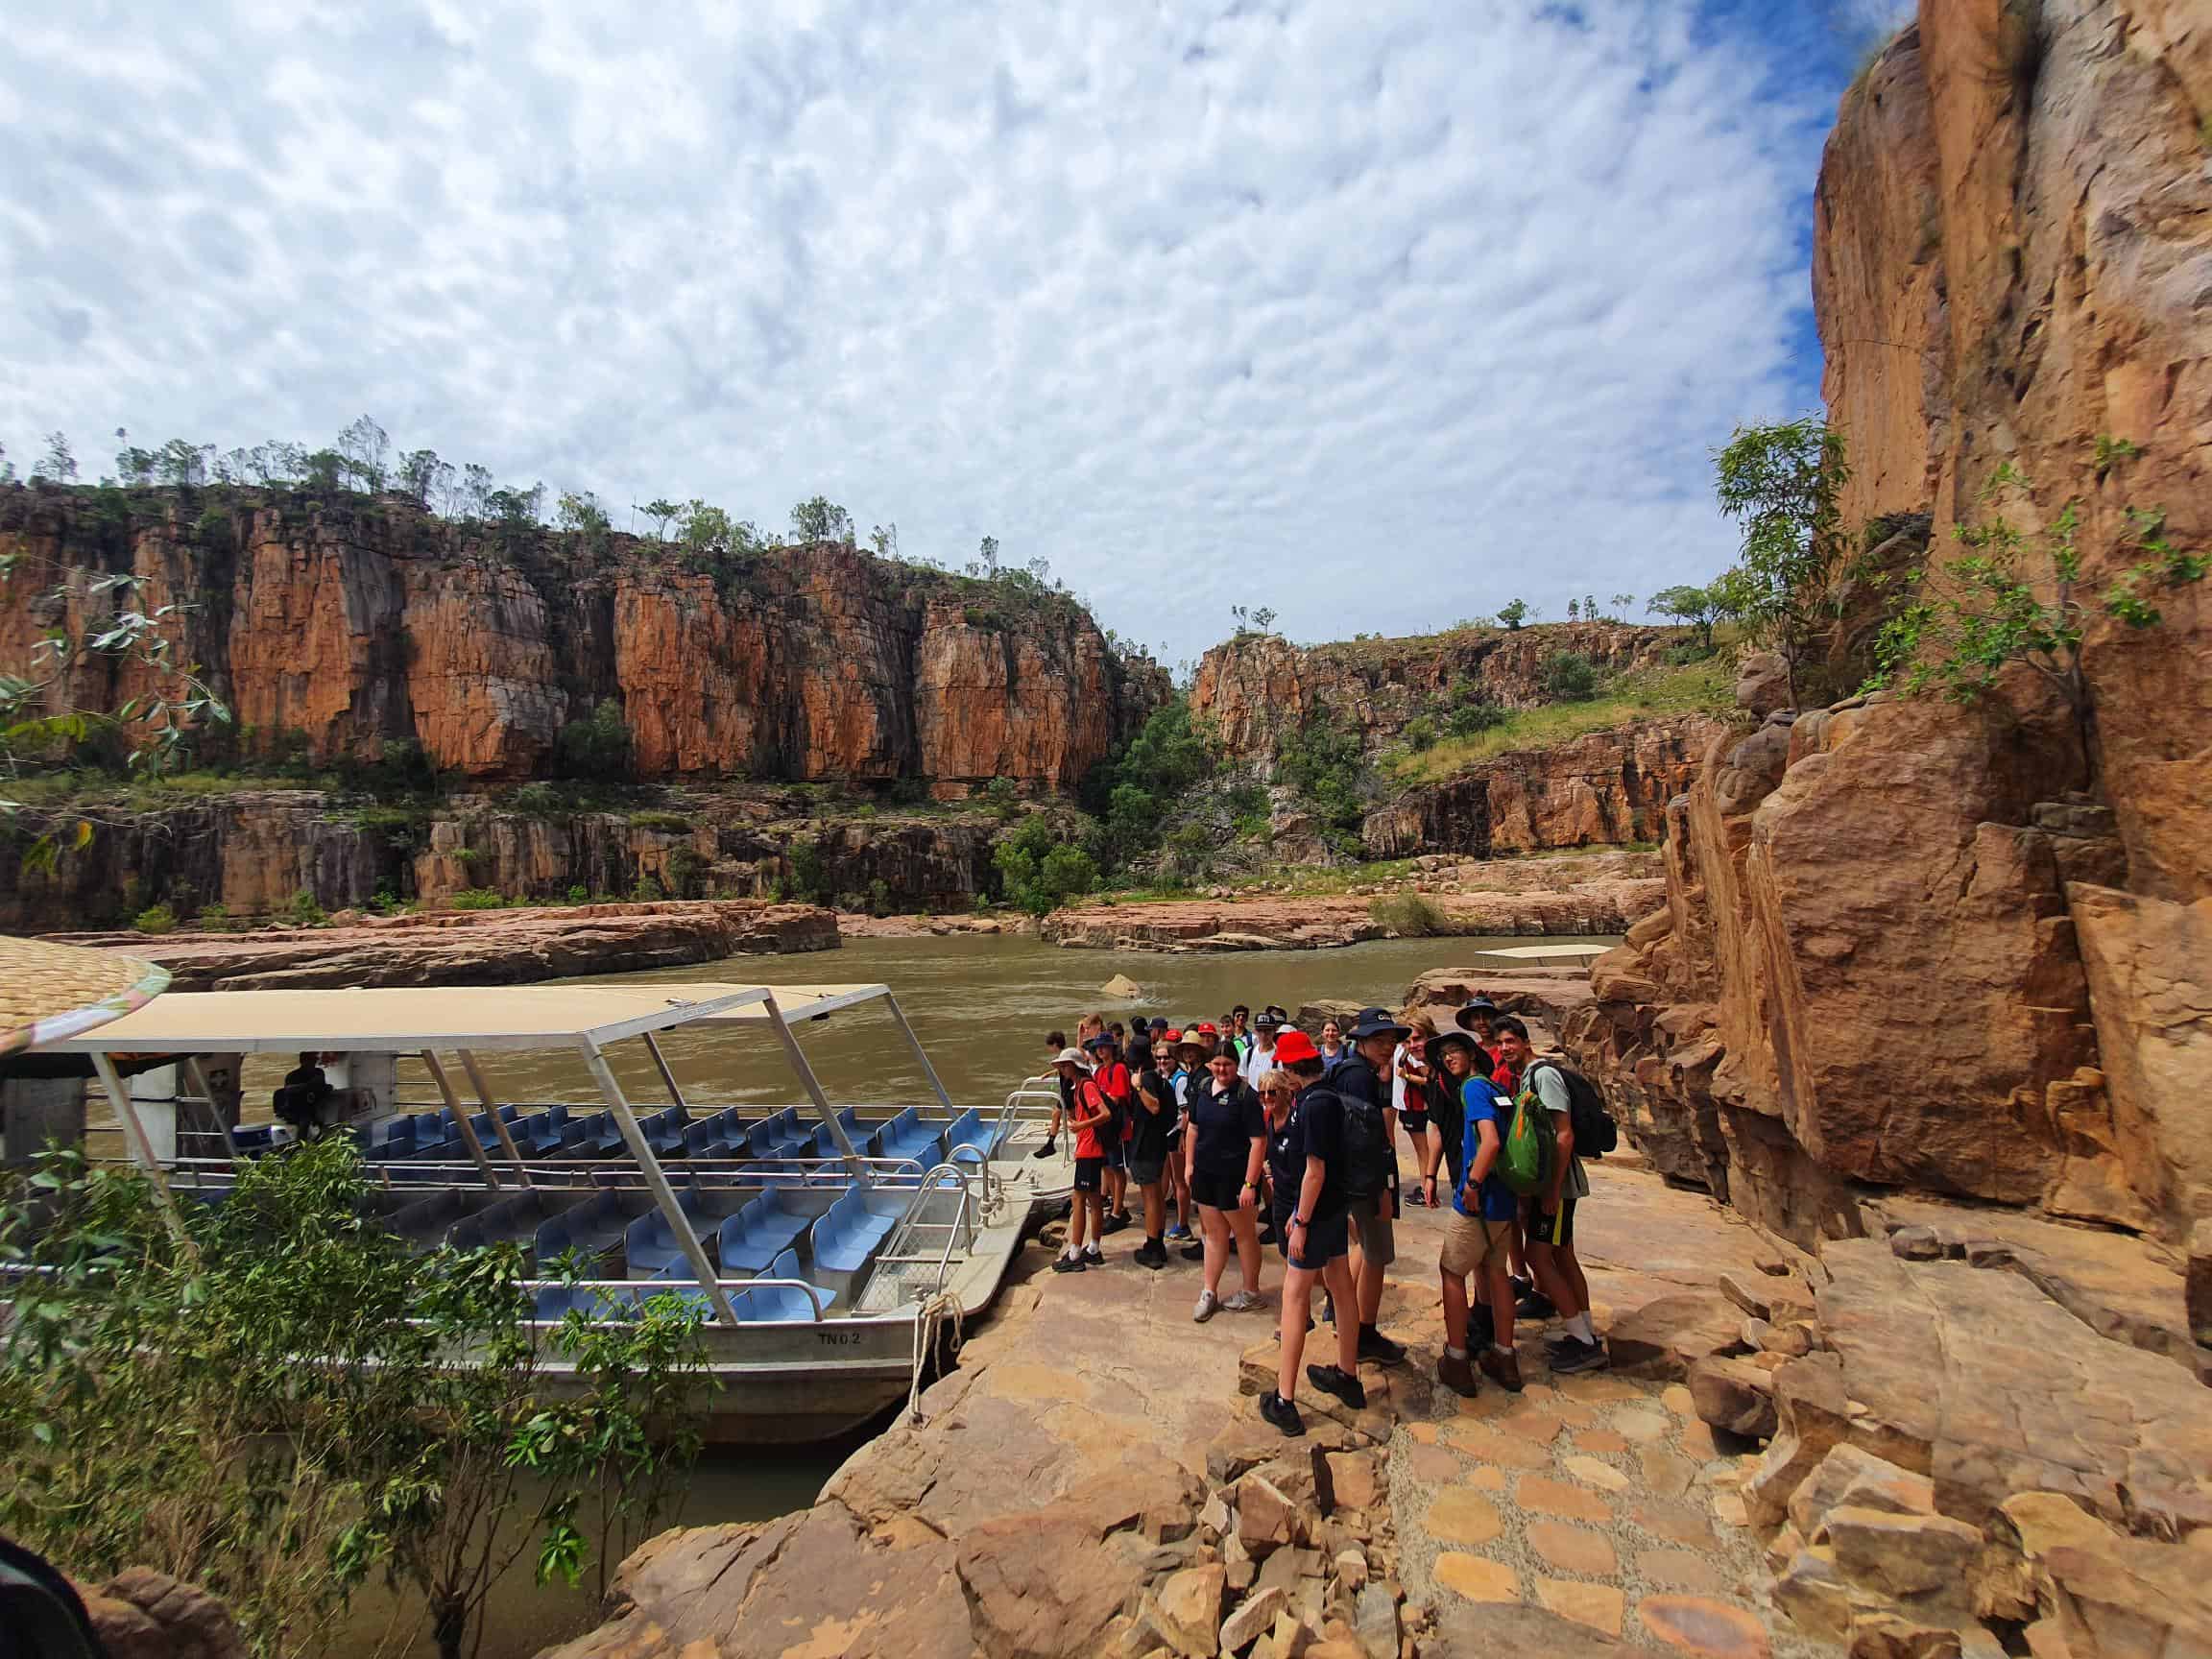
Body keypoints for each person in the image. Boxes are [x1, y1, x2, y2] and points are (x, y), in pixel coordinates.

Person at [1257, 1031, 1362, 1436]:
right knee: (1340, 1288)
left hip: (1316, 1215)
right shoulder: (1326, 1096)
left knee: (1294, 1297)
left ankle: (1285, 1400)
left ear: (1290, 1068)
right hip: (1333, 1210)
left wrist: (1300, 1221)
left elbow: (1314, 1170)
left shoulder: (1314, 1105)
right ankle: (1347, 1375)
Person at [1495, 1017, 1607, 1373]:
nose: (1505, 1048)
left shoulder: (1543, 1076)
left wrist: (1552, 1190)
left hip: (1557, 1186)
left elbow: (1564, 1134)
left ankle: (1585, 1344)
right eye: (1501, 1043)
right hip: (1554, 1185)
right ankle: (1584, 1331)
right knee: (1562, 1255)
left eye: (1511, 1041)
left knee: (1538, 1256)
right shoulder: (1528, 1076)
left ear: (1526, 1042)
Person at [1432, 1028, 1522, 1395]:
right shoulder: (1497, 1088)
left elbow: (1492, 1141)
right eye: (1444, 1055)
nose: (1448, 1058)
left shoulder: (1472, 1089)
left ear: (1472, 1055)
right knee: (1496, 1273)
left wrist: (1471, 1183)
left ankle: (1456, 1360)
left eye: (1455, 1051)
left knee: (1451, 1272)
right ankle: (1504, 1355)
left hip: (1479, 1201)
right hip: (1504, 1201)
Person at [1331, 1009, 1408, 1364]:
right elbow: (1365, 1142)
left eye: (1391, 1042)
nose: (1387, 1047)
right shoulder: (1360, 1078)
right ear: (1360, 1041)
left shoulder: (1355, 1072)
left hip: (1360, 1179)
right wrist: (1382, 1191)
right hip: (1368, 1182)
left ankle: (1343, 1313)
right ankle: (1364, 1333)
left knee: (1365, 1245)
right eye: (1380, 1040)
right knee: (1377, 1255)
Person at [1186, 1044, 1266, 1320]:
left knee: (1244, 1236)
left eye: (1227, 1065)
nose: (1222, 1070)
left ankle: (1251, 1291)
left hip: (1235, 1178)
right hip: (1206, 1174)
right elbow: (1193, 1129)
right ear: (1210, 1065)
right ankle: (1209, 1291)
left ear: (1236, 1066)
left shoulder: (1247, 1097)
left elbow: (1258, 1142)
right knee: (1213, 1235)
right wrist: (1189, 1164)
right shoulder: (1204, 1090)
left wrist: (1250, 1183)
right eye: (1217, 1064)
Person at [1050, 1048, 1106, 1272]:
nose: (1062, 1070)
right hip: (1088, 1147)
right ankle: (1093, 1249)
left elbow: (1104, 1114)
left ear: (1075, 1066)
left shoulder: (1086, 1086)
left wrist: (1080, 1125)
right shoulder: (1078, 1087)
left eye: (1065, 1066)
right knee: (1093, 1199)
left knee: (1079, 1199)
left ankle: (1075, 1254)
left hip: (1090, 1149)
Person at [1127, 1037, 1173, 1268]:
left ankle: (1153, 1247)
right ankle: (1158, 1244)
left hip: (1146, 1145)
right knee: (1156, 1195)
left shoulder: (1144, 1078)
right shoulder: (1157, 1077)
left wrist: (1137, 1086)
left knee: (1150, 1198)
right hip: (1157, 1143)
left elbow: (1154, 1106)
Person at [1086, 1031, 1134, 1233]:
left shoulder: (1119, 1069)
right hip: (1104, 1128)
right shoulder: (1099, 1072)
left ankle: (1117, 1212)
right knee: (1107, 1167)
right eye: (1098, 1047)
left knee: (1117, 1169)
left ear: (1112, 1048)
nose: (1100, 1050)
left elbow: (1116, 1099)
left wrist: (1099, 1102)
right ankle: (1117, 1206)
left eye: (1104, 1047)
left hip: (1117, 1128)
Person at [1394, 1015, 1439, 1208]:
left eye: (1416, 1039)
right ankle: (1426, 1186)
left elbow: (1427, 1079)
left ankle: (1426, 1189)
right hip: (1408, 1106)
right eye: (1407, 1040)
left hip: (1416, 1106)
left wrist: (1406, 1075)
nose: (1411, 1044)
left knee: (1423, 1151)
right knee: (1422, 1150)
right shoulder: (1402, 1051)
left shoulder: (1415, 1057)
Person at [1035, 1029, 1070, 1158]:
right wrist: (1049, 1073)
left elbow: (1065, 1067)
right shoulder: (1065, 1055)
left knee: (1070, 1118)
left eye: (1050, 1046)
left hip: (1068, 1092)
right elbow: (1061, 1068)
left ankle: (1050, 1145)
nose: (1049, 1049)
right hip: (1065, 1092)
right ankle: (1050, 1144)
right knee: (1056, 1114)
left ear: (1055, 1044)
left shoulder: (1064, 1056)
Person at [1241, 1009, 1284, 1087]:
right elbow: (1243, 1077)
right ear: (1255, 1031)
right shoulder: (1247, 1053)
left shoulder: (1281, 1057)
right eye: (1260, 1030)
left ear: (1275, 1031)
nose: (1263, 1035)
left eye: (1268, 1030)